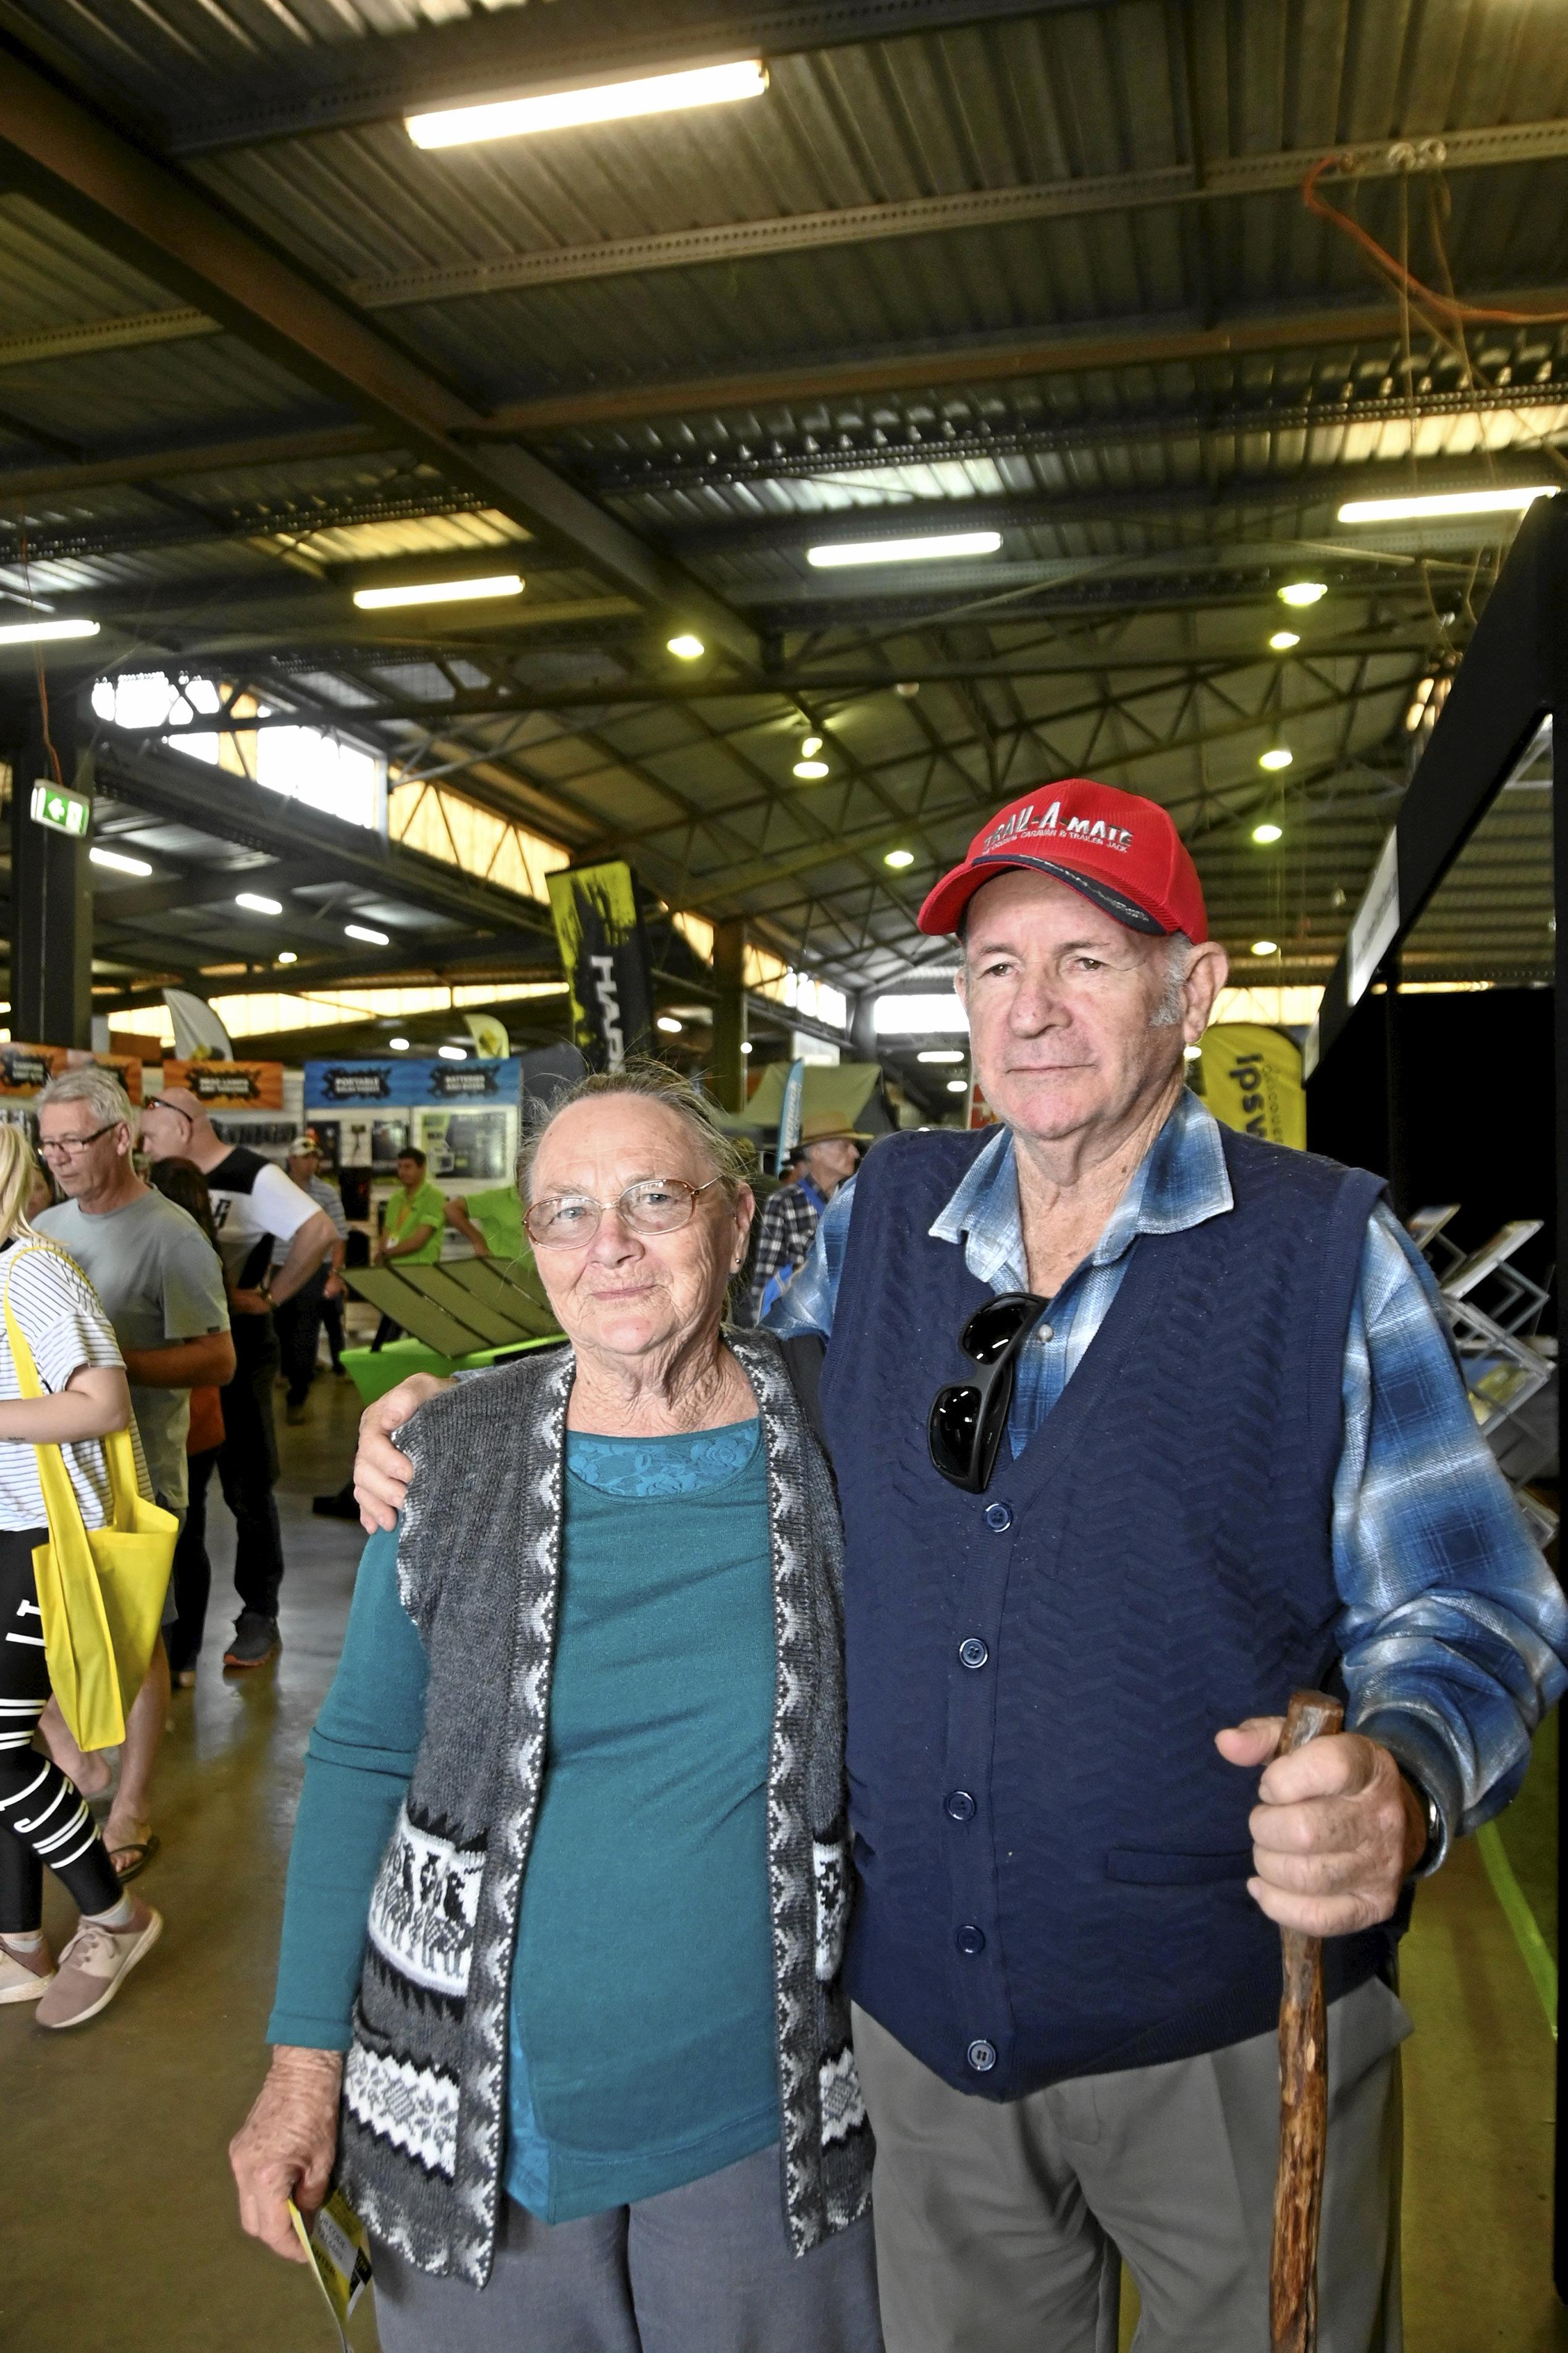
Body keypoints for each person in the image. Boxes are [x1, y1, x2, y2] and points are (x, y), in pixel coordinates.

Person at [356, 778, 1568, 2353]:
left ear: (1188, 991)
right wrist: (472, 1415)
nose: (1034, 1010)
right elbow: (664, 1355)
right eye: (996, 968)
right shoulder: (880, 1230)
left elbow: (1473, 1599)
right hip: (917, 2048)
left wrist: (1401, 1776)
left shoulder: (1321, 1252)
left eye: (1085, 959)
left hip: (1225, 2033)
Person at [230, 1065, 880, 2353]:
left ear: (738, 1221)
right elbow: (365, 1751)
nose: (613, 1246)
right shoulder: (451, 1451)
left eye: (655, 1197)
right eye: (566, 1211)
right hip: (475, 2108)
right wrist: (303, 2066)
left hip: (769, 2108)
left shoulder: (839, 1430)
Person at [33, 1068, 233, 1876]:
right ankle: (74, 1757)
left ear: (120, 1138)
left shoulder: (170, 1235)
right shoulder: (42, 1224)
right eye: (48, 1145)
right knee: (39, 1625)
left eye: (74, 1141)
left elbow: (217, 1356)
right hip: (49, 1474)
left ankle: (132, 1805)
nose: (59, 1158)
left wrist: (106, 1372)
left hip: (137, 1477)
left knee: (139, 1643)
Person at [0, 1125, 162, 2027]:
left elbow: (101, 1402)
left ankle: (116, 1918)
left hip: (47, 1538)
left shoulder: (30, 1269)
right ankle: (20, 1940)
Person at [140, 1088, 337, 1671]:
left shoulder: (253, 1174)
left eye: (150, 1131)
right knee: (185, 1495)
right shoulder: (163, 1178)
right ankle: (177, 1635)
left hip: (242, 1352)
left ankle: (260, 1612)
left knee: (249, 1486)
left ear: (183, 1124)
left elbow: (320, 1230)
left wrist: (271, 1297)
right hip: (185, 1352)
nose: (143, 1143)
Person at [146, 1158, 230, 1688]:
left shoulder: (176, 1249)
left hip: (184, 1417)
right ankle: (185, 1658)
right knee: (189, 1534)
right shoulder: (206, 1248)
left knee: (176, 1540)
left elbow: (216, 1355)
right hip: (201, 1420)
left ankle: (175, 1654)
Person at [746, 1114, 865, 1322]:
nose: (855, 1153)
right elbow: (766, 1281)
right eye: (845, 1146)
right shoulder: (785, 1202)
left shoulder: (851, 1204)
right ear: (817, 1152)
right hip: (802, 1330)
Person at [270, 1138, 348, 1425]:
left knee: (306, 1334)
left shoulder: (326, 1193)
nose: (311, 1162)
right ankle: (286, 1377)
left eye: (314, 1157)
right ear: (291, 1160)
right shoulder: (275, 1191)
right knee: (277, 1332)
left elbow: (339, 1235)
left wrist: (335, 1275)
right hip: (278, 1269)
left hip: (314, 1269)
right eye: (305, 1157)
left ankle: (298, 1395)